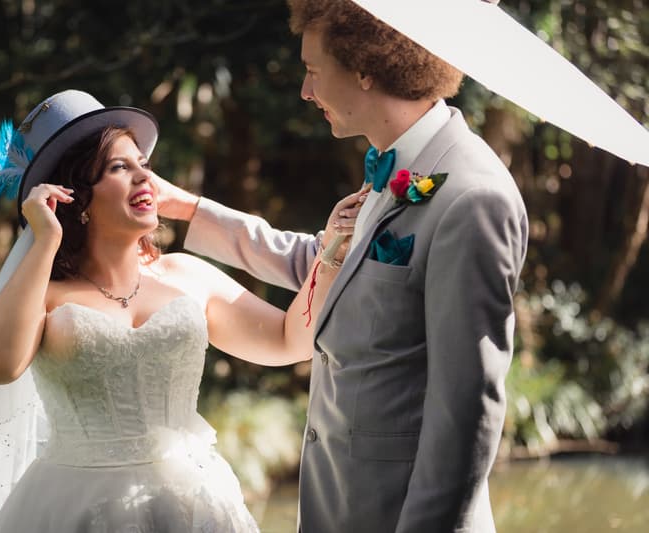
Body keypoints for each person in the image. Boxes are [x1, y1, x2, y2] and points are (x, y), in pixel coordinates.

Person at [0, 89, 364, 533]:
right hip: (73, 507)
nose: (146, 177)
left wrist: (332, 251)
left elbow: (288, 340)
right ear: (72, 194)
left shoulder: (186, 274)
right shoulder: (45, 293)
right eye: (119, 167)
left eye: (143, 163)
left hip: (195, 505)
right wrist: (45, 240)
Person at [156, 1, 529, 532]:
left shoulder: (472, 197)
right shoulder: (393, 165)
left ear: (365, 67)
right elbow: (330, 268)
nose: (306, 92)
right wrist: (191, 210)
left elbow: (467, 414)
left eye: (312, 71)